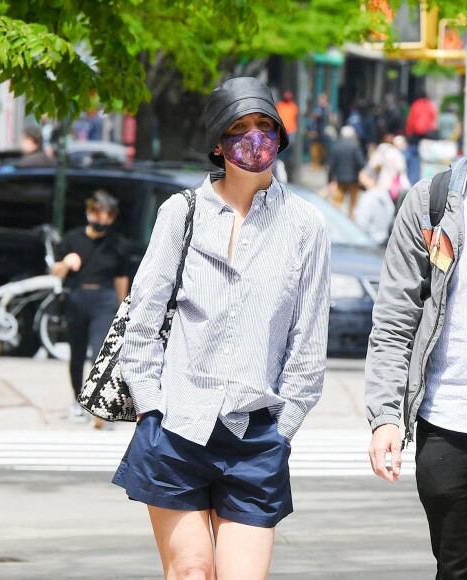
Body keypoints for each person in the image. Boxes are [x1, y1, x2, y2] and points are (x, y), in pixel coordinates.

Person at [113, 76, 331, 579]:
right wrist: (151, 408)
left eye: (264, 126)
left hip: (255, 433)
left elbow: (308, 342)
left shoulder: (305, 225)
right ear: (217, 142)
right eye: (239, 128)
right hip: (177, 425)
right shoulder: (181, 214)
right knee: (191, 571)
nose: (254, 139)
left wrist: (284, 428)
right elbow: (141, 324)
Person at [365, 60, 467, 579]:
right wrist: (386, 415)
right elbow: (394, 319)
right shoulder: (431, 204)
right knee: (458, 569)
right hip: (451, 420)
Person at [52, 191, 130, 426]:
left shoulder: (117, 244)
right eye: (99, 213)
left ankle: (98, 403)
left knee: (100, 353)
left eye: (109, 215)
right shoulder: (72, 239)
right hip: (77, 298)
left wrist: (123, 309)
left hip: (104, 300)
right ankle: (77, 401)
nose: (103, 219)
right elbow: (54, 272)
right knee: (76, 353)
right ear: (90, 212)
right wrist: (66, 263)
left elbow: (121, 278)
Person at [327, 125, 366, 219]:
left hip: (339, 179)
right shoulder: (355, 145)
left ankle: (337, 220)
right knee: (352, 205)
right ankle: (350, 221)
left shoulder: (337, 145)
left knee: (337, 203)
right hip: (353, 179)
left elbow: (331, 164)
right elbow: (361, 162)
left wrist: (330, 179)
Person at [404, 90, 438, 185]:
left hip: (415, 136)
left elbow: (410, 120)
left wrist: (408, 133)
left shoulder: (415, 104)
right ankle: (426, 181)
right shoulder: (430, 105)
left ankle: (412, 181)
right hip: (427, 135)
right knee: (427, 159)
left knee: (413, 158)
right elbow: (433, 120)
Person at [275, 90, 299, 175]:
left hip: (291, 130)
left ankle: (287, 160)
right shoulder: (280, 105)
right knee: (281, 146)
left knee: (290, 145)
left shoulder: (293, 107)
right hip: (282, 130)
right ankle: (281, 160)